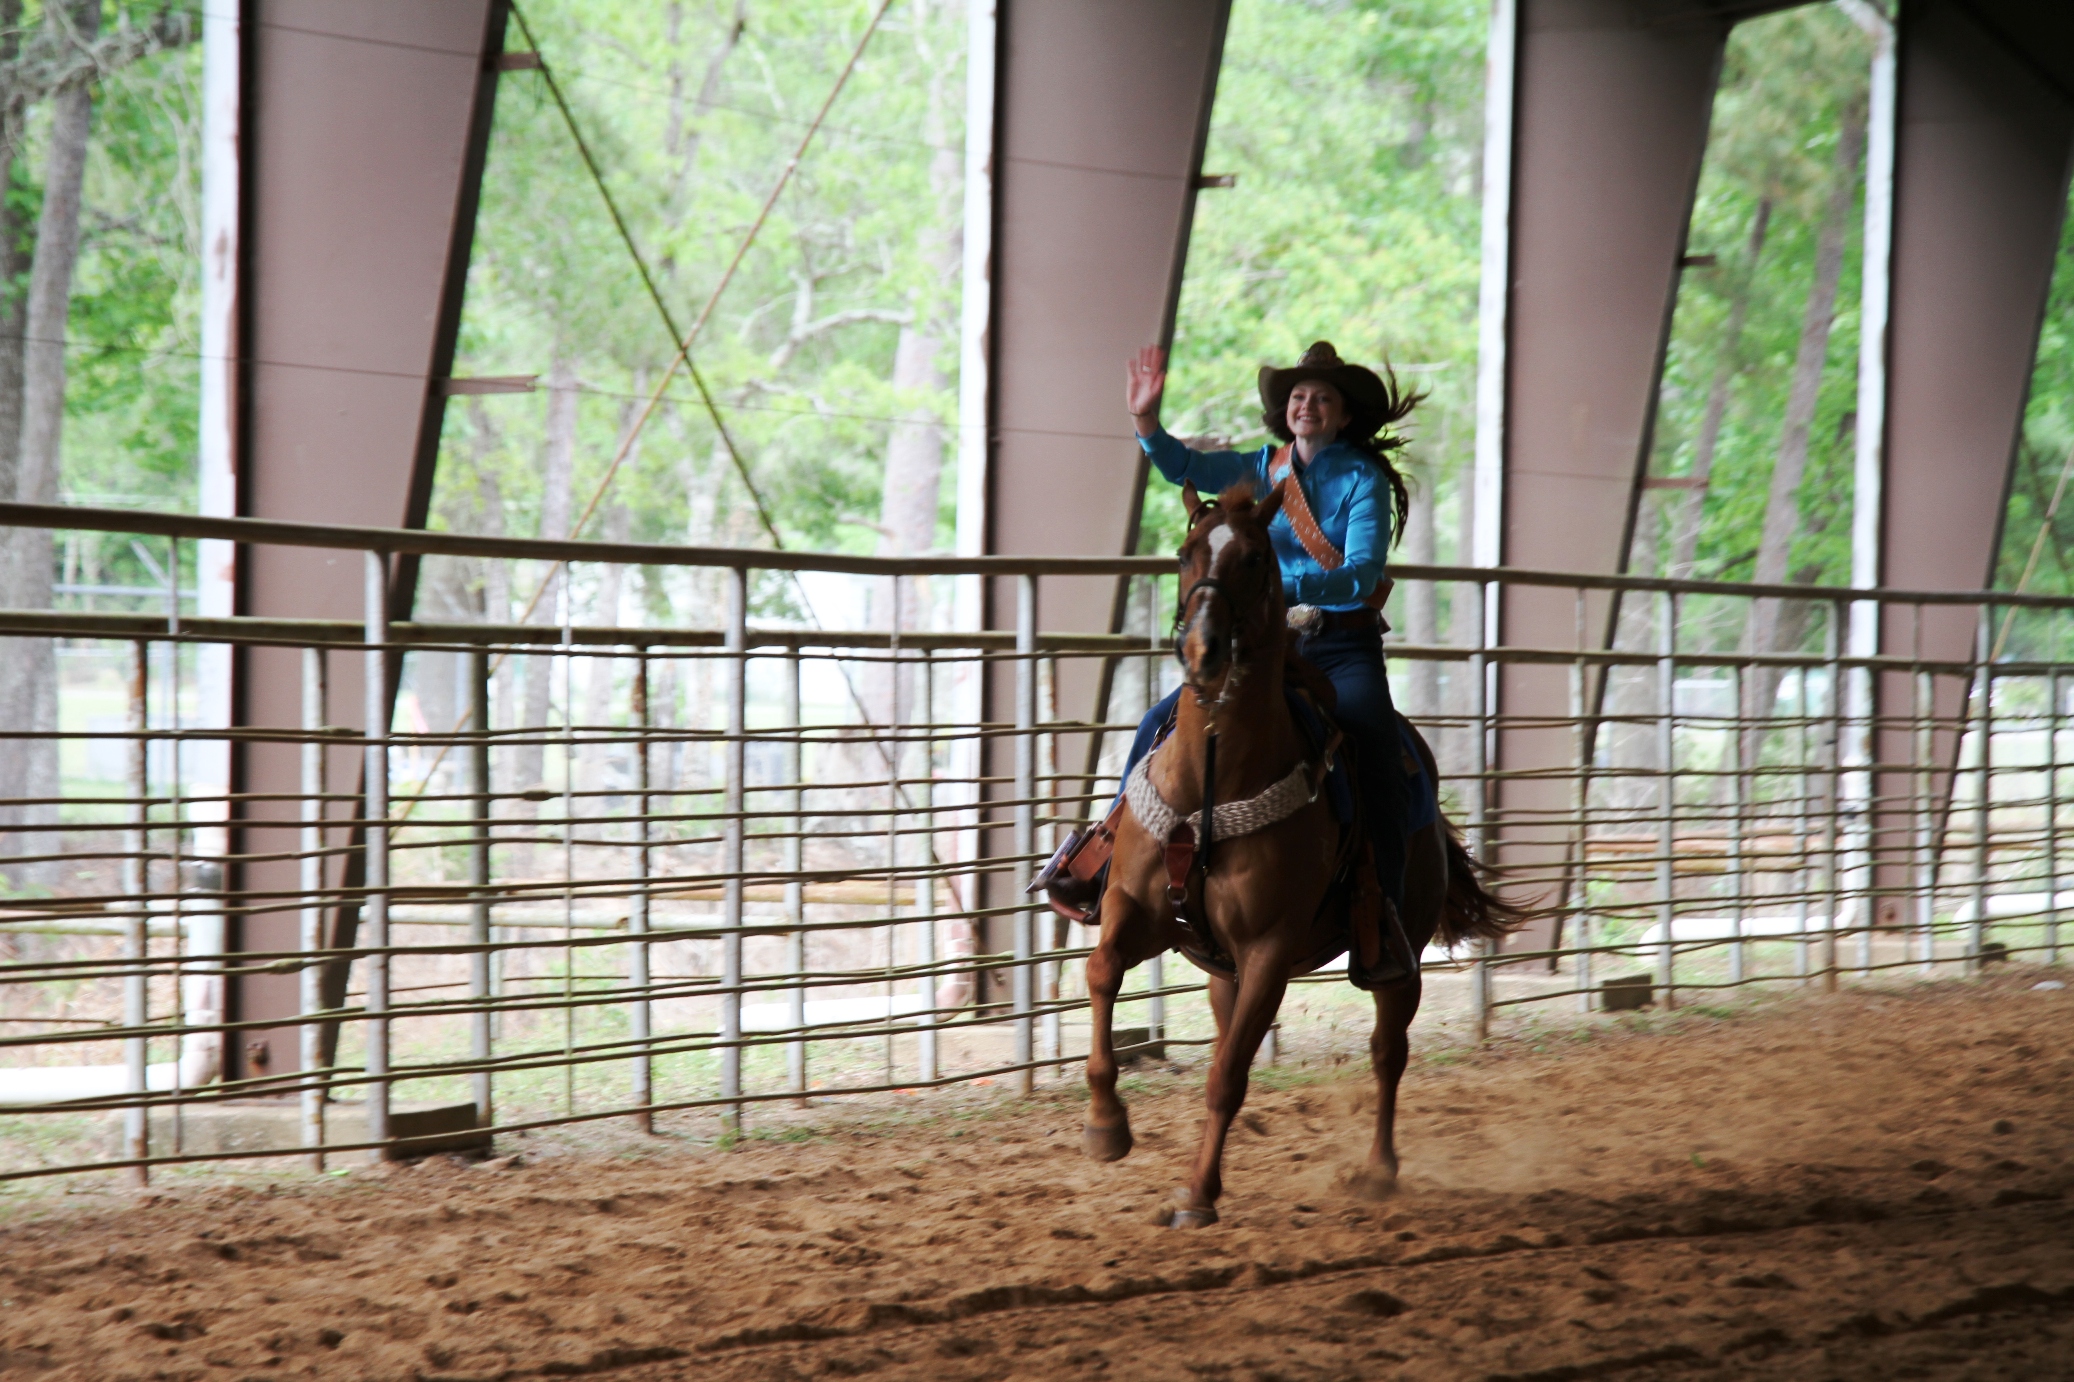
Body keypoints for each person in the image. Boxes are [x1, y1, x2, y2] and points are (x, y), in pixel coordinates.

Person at [1047, 340, 1424, 986]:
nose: (1308, 406)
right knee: (1158, 722)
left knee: (1375, 745)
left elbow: (1363, 574)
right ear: (1286, 410)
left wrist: (1280, 587)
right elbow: (1182, 465)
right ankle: (1104, 857)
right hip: (1263, 645)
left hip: (1340, 645)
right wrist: (1145, 420)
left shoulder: (1363, 479)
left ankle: (1380, 909)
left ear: (1342, 415)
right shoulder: (1258, 465)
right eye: (1299, 396)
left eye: (1322, 398)